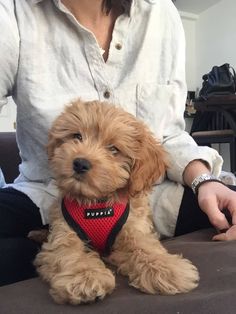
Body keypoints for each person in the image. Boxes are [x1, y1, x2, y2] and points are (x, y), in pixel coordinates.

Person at [0, 0, 236, 286]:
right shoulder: (12, 10)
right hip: (47, 194)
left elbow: (170, 136)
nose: (83, 155)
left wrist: (205, 181)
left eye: (112, 149)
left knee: (228, 207)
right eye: (76, 137)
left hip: (141, 198)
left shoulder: (160, 12)